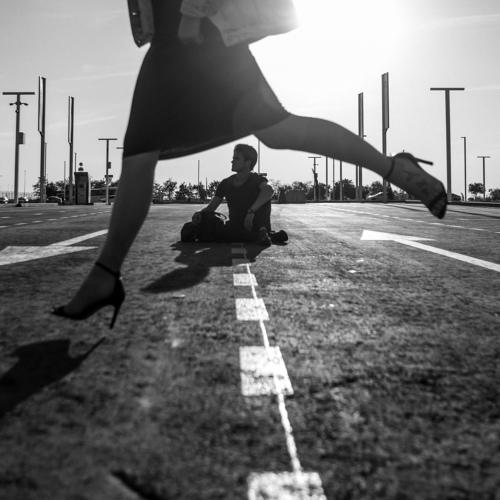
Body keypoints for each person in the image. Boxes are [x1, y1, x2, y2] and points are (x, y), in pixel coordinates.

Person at [52, 0, 447, 329]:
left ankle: (105, 275)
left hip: (194, 29)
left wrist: (193, 11)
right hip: (181, 33)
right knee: (272, 131)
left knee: (148, 152)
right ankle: (395, 168)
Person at [192, 143, 287, 246]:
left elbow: (269, 190)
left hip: (255, 225)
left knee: (264, 194)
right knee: (211, 226)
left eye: (236, 158)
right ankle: (266, 236)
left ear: (247, 163)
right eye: (233, 158)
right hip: (235, 227)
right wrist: (199, 214)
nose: (232, 161)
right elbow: (211, 208)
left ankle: (262, 233)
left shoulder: (257, 179)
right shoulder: (226, 183)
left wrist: (251, 212)